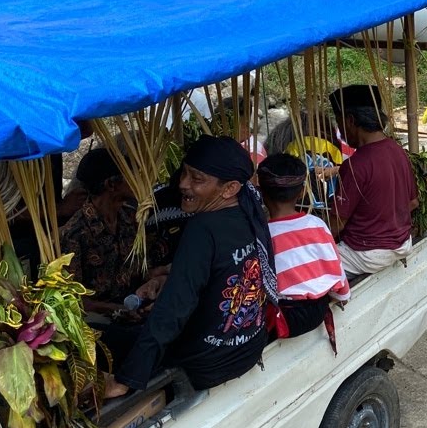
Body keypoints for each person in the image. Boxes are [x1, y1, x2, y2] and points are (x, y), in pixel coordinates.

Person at [104, 136, 277, 397]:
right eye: (184, 173)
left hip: (207, 365)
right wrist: (168, 277)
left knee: (107, 338)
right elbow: (224, 269)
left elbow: (172, 310)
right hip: (246, 349)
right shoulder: (249, 212)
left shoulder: (202, 229)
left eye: (197, 179)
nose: (183, 184)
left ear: (229, 188)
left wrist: (126, 380)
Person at [60, 147, 171, 311]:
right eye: (132, 176)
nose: (139, 180)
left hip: (135, 304)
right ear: (111, 185)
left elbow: (137, 272)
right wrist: (119, 309)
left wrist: (159, 274)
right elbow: (73, 299)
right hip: (98, 318)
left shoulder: (130, 216)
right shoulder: (75, 233)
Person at [323, 84, 418, 276]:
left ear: (350, 120)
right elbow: (413, 202)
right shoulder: (397, 150)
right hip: (402, 243)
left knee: (312, 265)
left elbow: (336, 224)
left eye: (340, 123)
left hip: (366, 254)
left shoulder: (355, 165)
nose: (340, 131)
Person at [258, 154, 350, 344]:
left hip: (286, 319)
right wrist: (343, 295)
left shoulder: (263, 235)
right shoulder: (317, 224)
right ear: (301, 192)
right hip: (317, 311)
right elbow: (336, 269)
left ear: (262, 193)